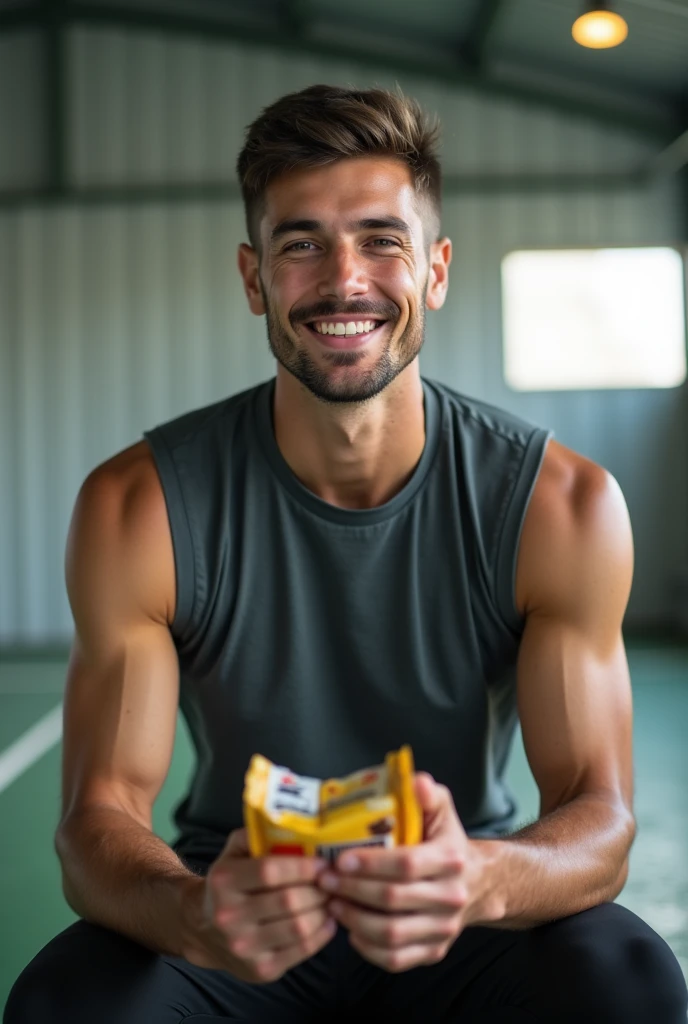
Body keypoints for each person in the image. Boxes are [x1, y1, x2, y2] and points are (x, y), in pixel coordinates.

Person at [5, 85, 687, 1024]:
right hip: (237, 913)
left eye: (381, 240)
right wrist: (198, 913)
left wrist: (479, 878)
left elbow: (599, 818)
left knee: (630, 985)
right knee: (64, 1004)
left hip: (455, 912)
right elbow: (97, 820)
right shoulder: (139, 506)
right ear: (254, 279)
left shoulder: (560, 506)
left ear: (436, 270)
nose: (344, 279)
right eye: (301, 244)